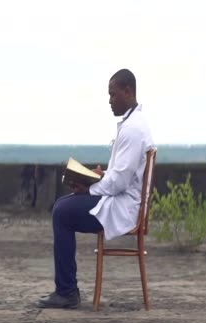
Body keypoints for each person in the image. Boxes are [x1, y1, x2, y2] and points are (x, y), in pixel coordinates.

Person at [38, 69, 154, 309]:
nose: (110, 101)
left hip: (124, 209)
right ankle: (66, 290)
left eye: (113, 95)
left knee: (62, 212)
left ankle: (67, 292)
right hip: (121, 201)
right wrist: (98, 176)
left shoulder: (133, 130)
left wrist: (89, 189)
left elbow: (120, 182)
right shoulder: (134, 123)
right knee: (62, 206)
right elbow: (119, 174)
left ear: (127, 91)